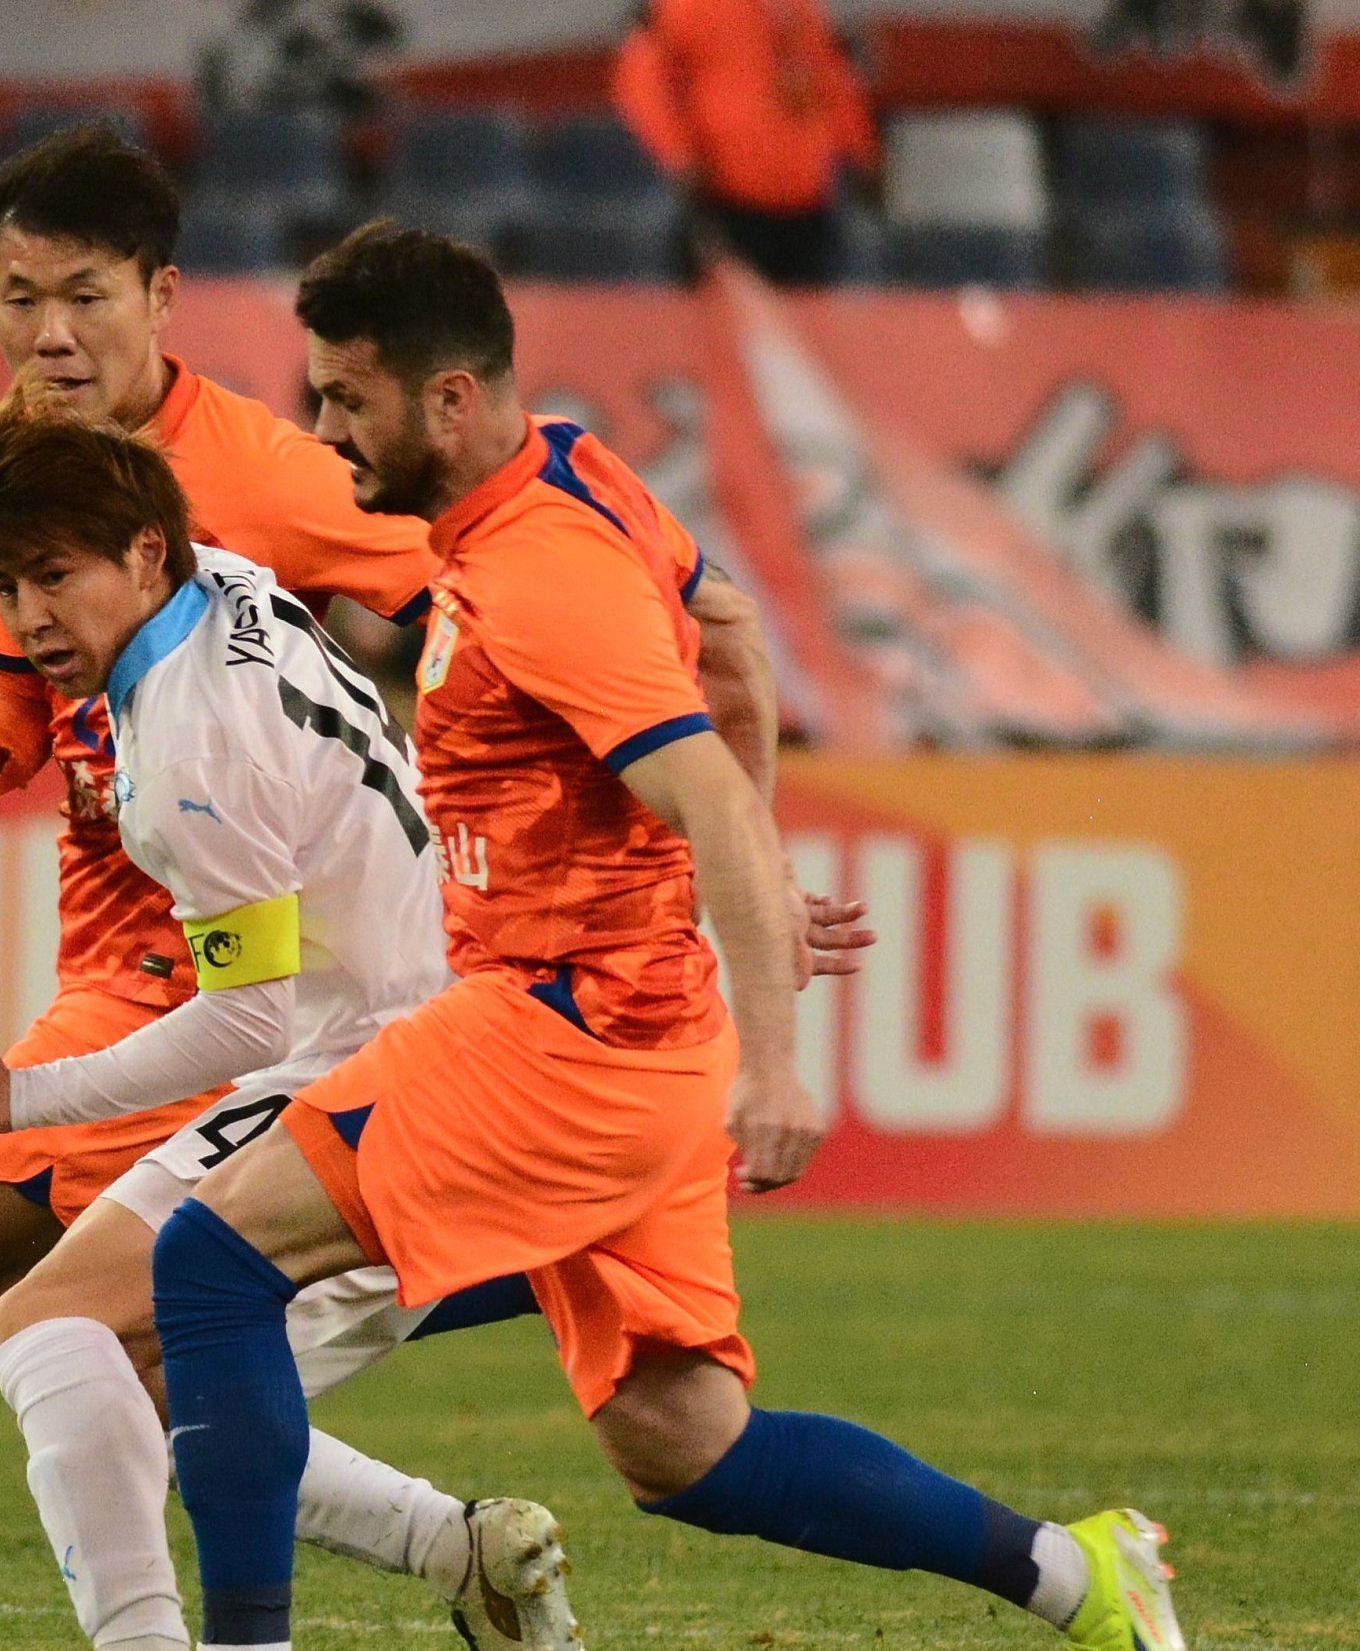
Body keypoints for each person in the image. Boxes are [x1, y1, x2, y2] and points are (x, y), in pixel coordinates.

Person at [146, 223, 1186, 1651]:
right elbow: (735, 634)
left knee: (207, 1265)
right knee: (685, 1441)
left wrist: (781, 1057)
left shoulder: (541, 574)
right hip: (643, 1029)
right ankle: (1080, 1574)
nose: (326, 432)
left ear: (449, 397)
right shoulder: (576, 469)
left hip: (555, 1032)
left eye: (347, 399)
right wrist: (742, 871)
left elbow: (700, 784)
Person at [0, 128, 582, 1651]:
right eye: (20, 297)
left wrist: (625, 790)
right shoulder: (34, 462)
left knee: (18, 1308)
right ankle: (451, 1532)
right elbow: (11, 604)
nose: (50, 333)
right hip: (148, 942)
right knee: (76, 1335)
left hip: (223, 974)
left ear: (161, 297)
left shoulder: (271, 475)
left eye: (85, 297)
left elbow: (484, 589)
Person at [0, 398, 582, 1651]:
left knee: (70, 1339)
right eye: (7, 585)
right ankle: (460, 1549)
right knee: (126, 1376)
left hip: (385, 1069)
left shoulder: (191, 756)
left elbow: (244, 1023)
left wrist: (21, 1099)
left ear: (139, 554)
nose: (28, 618)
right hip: (419, 1019)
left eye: (52, 580)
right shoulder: (220, 576)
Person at [612, 0, 877, 286]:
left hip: (809, 206)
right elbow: (640, 80)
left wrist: (862, 153)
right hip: (728, 203)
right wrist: (677, 155)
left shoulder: (800, 9)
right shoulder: (686, 8)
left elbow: (829, 79)